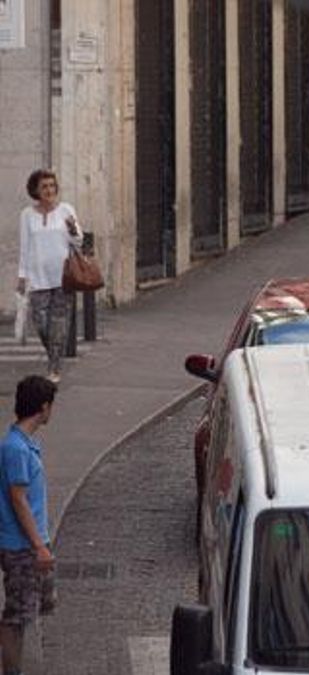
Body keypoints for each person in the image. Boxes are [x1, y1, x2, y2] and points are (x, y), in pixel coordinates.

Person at [0, 376, 59, 675]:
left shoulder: (24, 445)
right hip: (22, 546)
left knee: (30, 609)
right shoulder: (16, 449)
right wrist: (38, 546)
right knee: (17, 615)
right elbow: (18, 499)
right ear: (44, 407)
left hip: (31, 543)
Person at [17, 169, 83, 384]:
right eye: (44, 186)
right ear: (35, 190)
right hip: (38, 278)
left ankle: (54, 368)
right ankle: (54, 354)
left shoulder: (66, 210)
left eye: (52, 186)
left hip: (63, 277)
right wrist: (22, 275)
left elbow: (78, 242)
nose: (49, 190)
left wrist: (73, 230)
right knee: (41, 323)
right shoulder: (27, 215)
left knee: (59, 325)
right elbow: (25, 247)